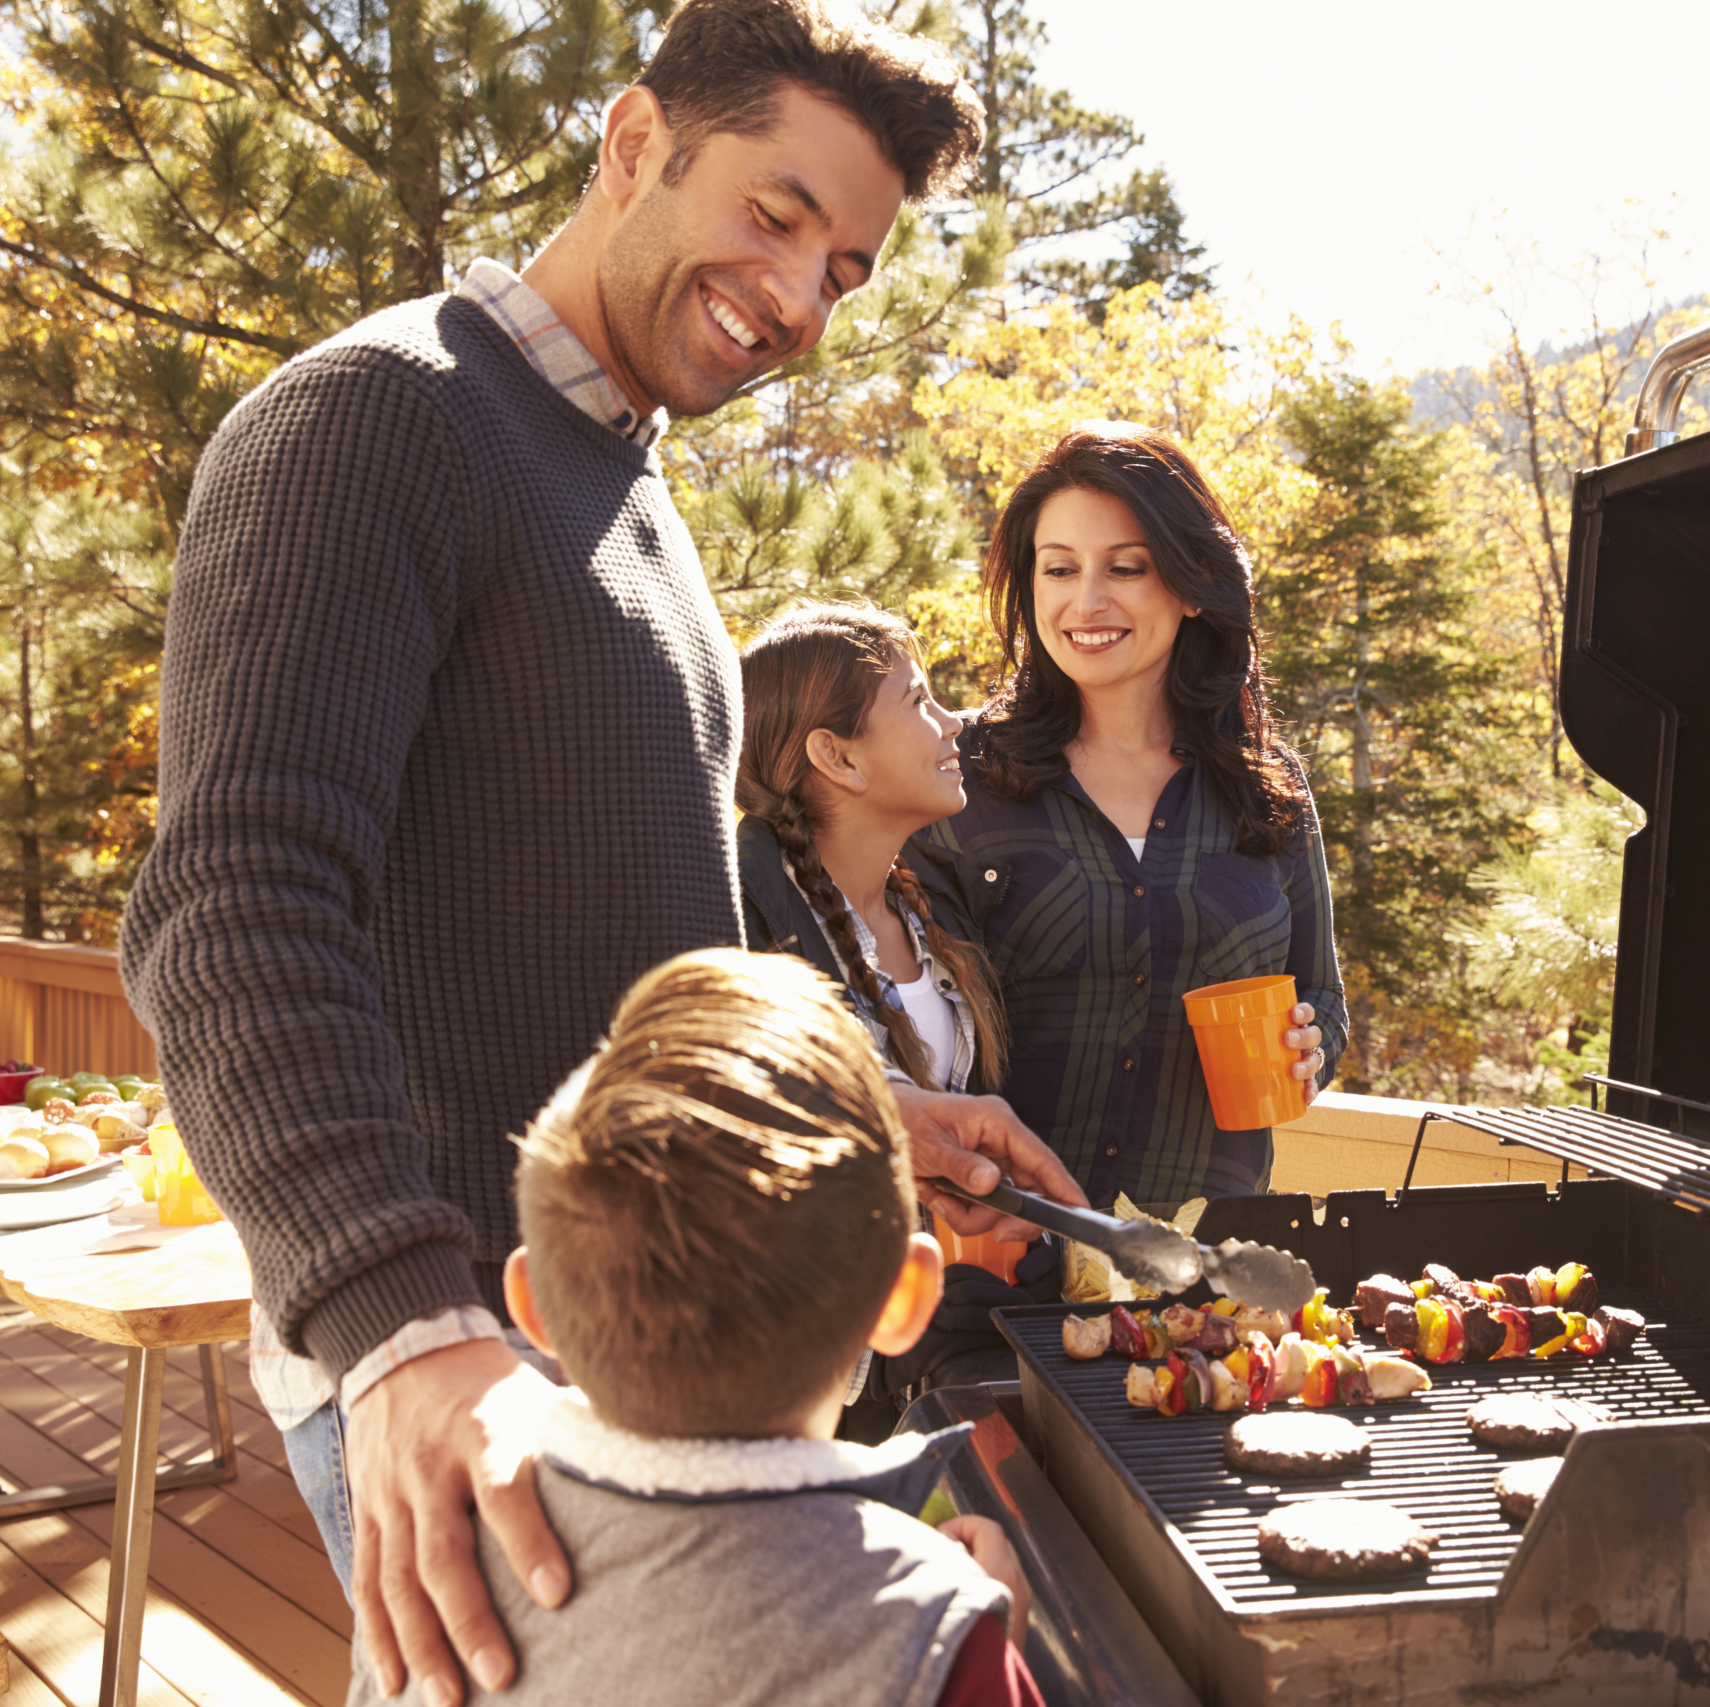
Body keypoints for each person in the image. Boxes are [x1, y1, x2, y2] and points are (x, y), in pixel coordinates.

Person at [118, 6, 1082, 1703]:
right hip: (467, 1361)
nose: (798, 299)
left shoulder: (634, 504)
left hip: (636, 1370)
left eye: (844, 269)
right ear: (634, 141)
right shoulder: (380, 419)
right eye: (776, 217)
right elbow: (233, 906)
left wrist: (856, 1114)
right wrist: (403, 1325)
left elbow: (653, 949)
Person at [346, 947, 1042, 1707]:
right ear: (905, 1297)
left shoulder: (430, 1578)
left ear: (531, 1304)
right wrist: (982, 1645)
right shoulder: (925, 1625)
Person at [912, 422, 1347, 1212]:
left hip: (1204, 1279)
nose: (1087, 601)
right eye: (1059, 569)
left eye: (1126, 568)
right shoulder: (956, 773)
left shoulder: (1267, 786)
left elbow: (1323, 997)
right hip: (1002, 1259)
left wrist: (1309, 1048)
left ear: (1188, 585)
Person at [734, 602, 1062, 1433]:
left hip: (935, 1361)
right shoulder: (743, 921)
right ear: (836, 755)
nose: (954, 723)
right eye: (919, 701)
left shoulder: (931, 912)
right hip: (807, 1385)